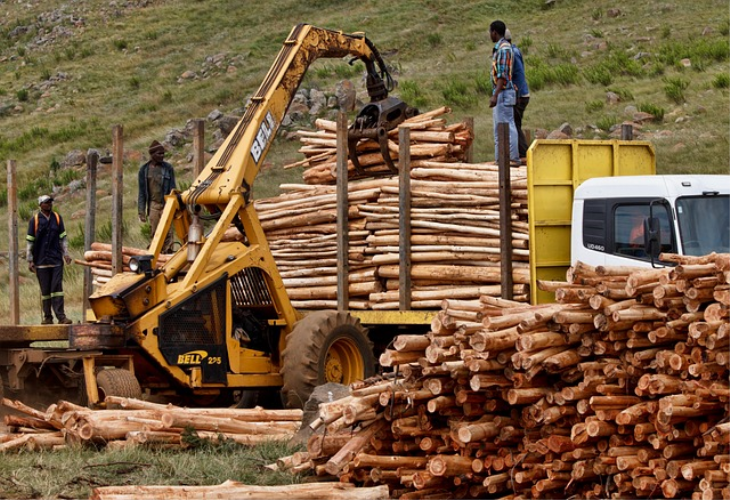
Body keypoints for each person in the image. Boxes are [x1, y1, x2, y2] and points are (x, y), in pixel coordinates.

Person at [26, 195, 73, 324]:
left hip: (56, 260)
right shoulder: (34, 221)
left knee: (57, 289)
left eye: (50, 202)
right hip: (41, 262)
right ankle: (48, 317)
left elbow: (63, 238)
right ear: (40, 205)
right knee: (45, 291)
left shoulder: (57, 218)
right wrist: (30, 260)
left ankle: (61, 317)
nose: (49, 204)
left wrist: (66, 254)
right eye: (46, 202)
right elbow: (30, 241)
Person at [489, 20, 520, 166]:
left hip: (503, 93)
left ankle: (512, 158)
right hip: (503, 92)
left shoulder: (503, 49)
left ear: (494, 32)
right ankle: (500, 159)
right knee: (500, 127)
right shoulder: (502, 48)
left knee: (506, 126)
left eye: (491, 32)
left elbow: (502, 75)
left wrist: (495, 94)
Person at [138, 140, 176, 252]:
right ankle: (156, 255)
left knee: (168, 232)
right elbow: (142, 192)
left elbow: (173, 188)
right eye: (159, 154)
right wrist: (141, 212)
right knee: (155, 232)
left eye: (163, 153)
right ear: (152, 154)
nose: (162, 156)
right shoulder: (144, 170)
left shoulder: (168, 168)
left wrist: (172, 205)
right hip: (153, 205)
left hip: (166, 203)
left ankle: (168, 254)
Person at [505, 29, 530, 159]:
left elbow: (519, 76)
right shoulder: (515, 51)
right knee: (516, 123)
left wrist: (517, 94)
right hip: (521, 94)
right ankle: (521, 152)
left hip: (519, 95)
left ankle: (522, 153)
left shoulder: (512, 53)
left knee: (514, 124)